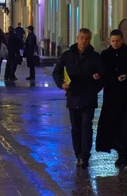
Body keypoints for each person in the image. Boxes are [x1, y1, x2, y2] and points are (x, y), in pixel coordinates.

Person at [52, 28, 103, 169]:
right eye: (81, 38)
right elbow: (56, 73)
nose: (83, 41)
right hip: (73, 96)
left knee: (86, 126)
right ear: (77, 38)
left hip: (88, 97)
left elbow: (101, 77)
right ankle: (77, 153)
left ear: (90, 40)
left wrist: (94, 86)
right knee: (75, 127)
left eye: (86, 39)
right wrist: (62, 84)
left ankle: (84, 155)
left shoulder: (95, 57)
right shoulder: (67, 56)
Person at [96, 29, 127, 168]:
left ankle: (124, 155)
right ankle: (117, 150)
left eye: (117, 41)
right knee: (113, 125)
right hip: (111, 97)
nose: (115, 43)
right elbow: (102, 73)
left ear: (122, 40)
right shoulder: (105, 55)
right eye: (113, 41)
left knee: (126, 126)